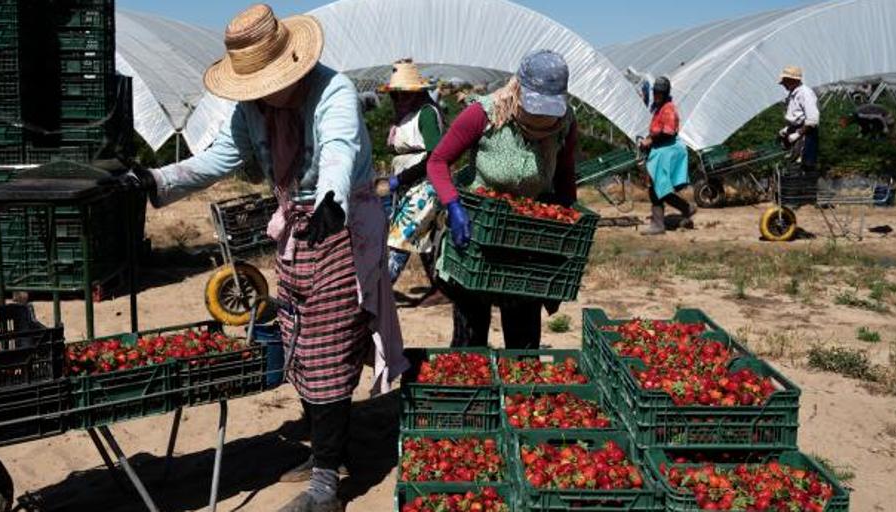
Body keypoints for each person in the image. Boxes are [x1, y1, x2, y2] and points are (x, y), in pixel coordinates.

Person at [123, 5, 408, 511]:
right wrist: (157, 180)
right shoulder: (253, 106)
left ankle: (327, 484)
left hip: (342, 228)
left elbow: (340, 148)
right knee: (297, 339)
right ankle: (329, 453)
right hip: (297, 232)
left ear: (292, 65)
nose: (256, 93)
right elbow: (221, 157)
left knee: (331, 346)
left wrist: (330, 201)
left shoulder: (333, 91)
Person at [427, 49, 578, 350]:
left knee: (523, 341)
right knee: (471, 335)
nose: (543, 115)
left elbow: (564, 176)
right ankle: (473, 394)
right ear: (519, 88)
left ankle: (518, 393)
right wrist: (454, 206)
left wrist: (565, 231)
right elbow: (438, 162)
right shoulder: (485, 114)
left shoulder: (564, 123)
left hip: (527, 238)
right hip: (477, 233)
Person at [375, 59, 445, 289]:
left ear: (416, 93)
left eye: (403, 94)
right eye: (395, 95)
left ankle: (379, 291)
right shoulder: (406, 116)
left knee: (399, 239)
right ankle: (441, 289)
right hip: (409, 187)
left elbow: (434, 157)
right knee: (423, 241)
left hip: (425, 186)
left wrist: (400, 179)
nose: (398, 99)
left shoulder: (426, 114)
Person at [639, 77, 694, 236]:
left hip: (668, 150)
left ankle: (658, 225)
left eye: (659, 93)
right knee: (658, 188)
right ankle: (686, 208)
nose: (656, 95)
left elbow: (668, 131)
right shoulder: (659, 108)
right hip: (662, 150)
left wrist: (650, 140)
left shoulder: (668, 108)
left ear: (665, 93)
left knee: (657, 189)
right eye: (655, 92)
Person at [777, 66, 820, 171]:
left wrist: (798, 134)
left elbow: (812, 120)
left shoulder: (805, 93)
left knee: (803, 163)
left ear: (792, 80)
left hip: (806, 133)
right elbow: (796, 116)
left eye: (785, 81)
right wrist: (787, 129)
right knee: (793, 160)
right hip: (797, 129)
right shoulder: (794, 93)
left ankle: (805, 184)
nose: (783, 84)